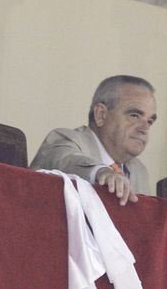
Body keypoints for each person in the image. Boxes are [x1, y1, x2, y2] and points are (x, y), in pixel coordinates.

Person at [31, 75, 157, 205]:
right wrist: (101, 172)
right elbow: (65, 160)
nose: (144, 128)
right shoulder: (65, 140)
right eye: (135, 115)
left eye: (149, 121)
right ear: (101, 115)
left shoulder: (139, 171)